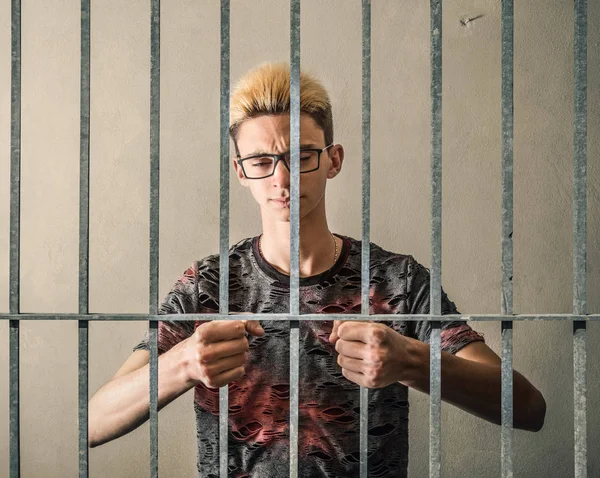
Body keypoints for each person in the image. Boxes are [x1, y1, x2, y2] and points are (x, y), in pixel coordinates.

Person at [88, 62, 546, 477]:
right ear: (240, 171)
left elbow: (527, 407)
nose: (282, 179)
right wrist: (182, 364)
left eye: (301, 156)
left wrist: (411, 361)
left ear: (334, 160)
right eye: (262, 162)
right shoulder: (208, 285)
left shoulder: (397, 282)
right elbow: (92, 424)